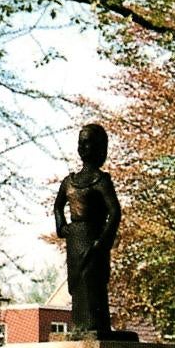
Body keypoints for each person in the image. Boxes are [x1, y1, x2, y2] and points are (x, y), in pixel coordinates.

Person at [53, 123, 121, 336]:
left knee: (93, 281)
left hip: (93, 238)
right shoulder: (69, 181)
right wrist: (61, 226)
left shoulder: (100, 181)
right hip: (76, 238)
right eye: (81, 143)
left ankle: (95, 324)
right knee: (76, 281)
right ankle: (80, 324)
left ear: (100, 148)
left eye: (89, 143)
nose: (83, 148)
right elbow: (58, 206)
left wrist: (102, 242)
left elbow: (115, 212)